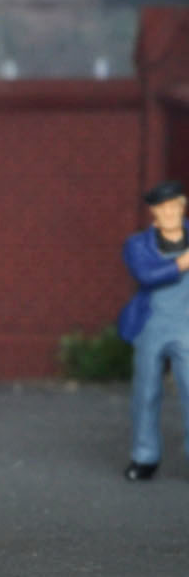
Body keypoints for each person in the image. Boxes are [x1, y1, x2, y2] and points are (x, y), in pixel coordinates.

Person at [119, 180, 189, 479]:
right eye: (163, 208)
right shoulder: (137, 244)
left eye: (174, 206)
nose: (169, 212)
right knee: (146, 392)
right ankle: (144, 456)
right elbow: (145, 275)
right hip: (151, 326)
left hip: (186, 327)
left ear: (183, 207)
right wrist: (181, 264)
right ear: (153, 212)